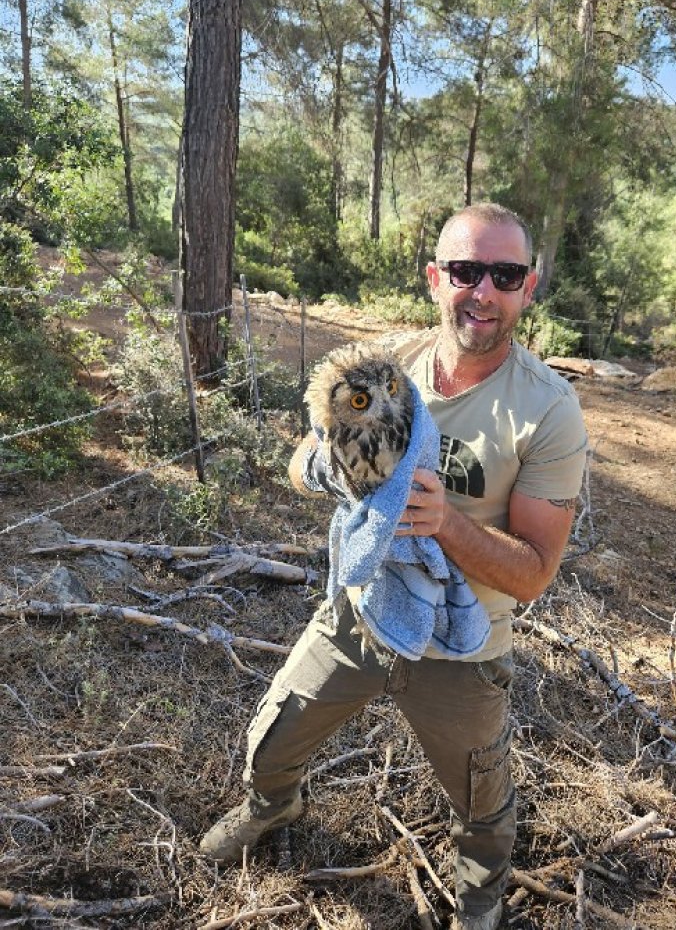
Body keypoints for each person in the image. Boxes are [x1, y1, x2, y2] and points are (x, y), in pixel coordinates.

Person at [199, 203, 588, 930]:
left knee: (480, 802)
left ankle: (478, 896)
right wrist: (327, 465)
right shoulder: (383, 368)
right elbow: (298, 462)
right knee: (270, 742)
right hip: (360, 610)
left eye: (504, 274)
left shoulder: (547, 411)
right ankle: (271, 805)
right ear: (435, 278)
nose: (483, 291)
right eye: (467, 270)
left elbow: (534, 574)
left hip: (462, 647)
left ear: (527, 288)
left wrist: (443, 523)